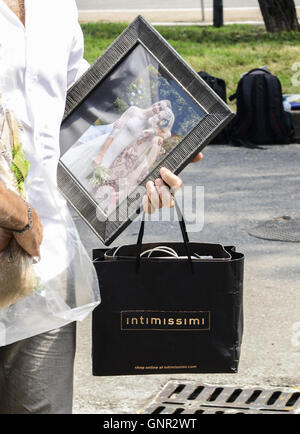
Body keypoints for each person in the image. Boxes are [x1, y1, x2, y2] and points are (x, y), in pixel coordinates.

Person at [0, 0, 203, 414]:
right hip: (25, 230)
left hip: (43, 266)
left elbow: (65, 125)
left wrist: (150, 154)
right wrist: (17, 215)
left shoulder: (56, 8)